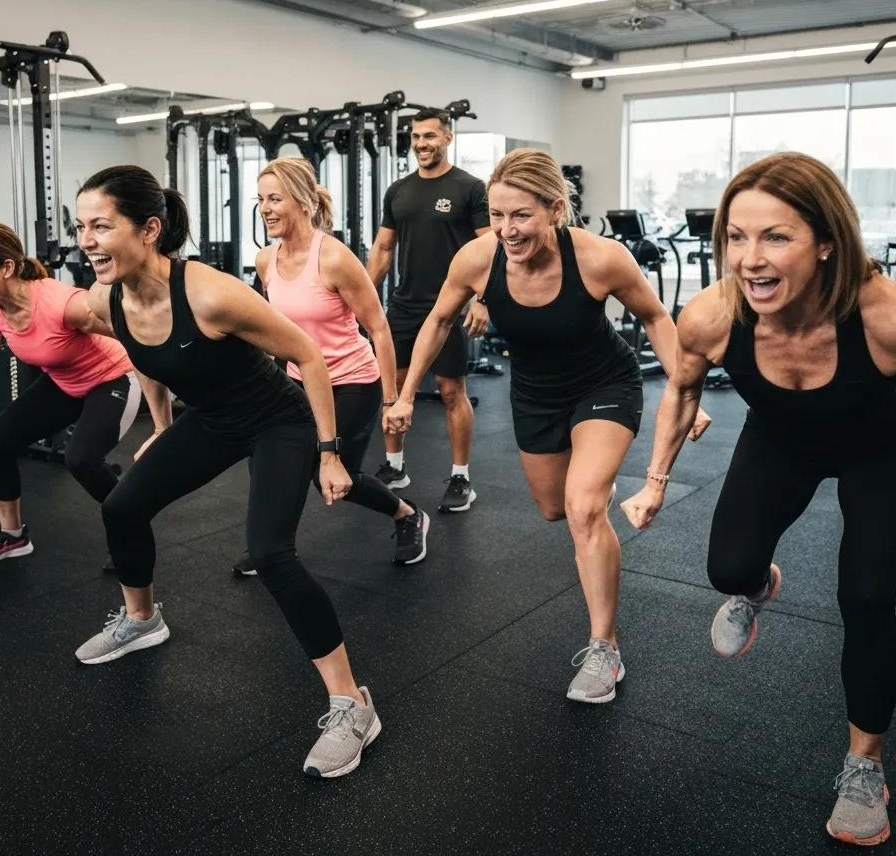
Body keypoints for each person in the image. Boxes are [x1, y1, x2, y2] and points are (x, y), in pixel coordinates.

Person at [621, 152, 896, 846]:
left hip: (884, 452)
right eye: (736, 236)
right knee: (727, 570)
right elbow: (680, 387)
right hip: (783, 441)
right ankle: (758, 585)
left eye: (775, 237)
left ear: (827, 241)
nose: (749, 259)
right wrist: (653, 483)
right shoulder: (710, 316)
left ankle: (863, 766)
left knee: (865, 595)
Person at [74, 165, 379, 778]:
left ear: (149, 229)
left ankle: (352, 704)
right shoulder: (105, 299)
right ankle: (142, 620)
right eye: (79, 226)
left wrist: (328, 450)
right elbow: (147, 363)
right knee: (122, 506)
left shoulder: (211, 293)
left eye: (101, 226)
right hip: (211, 419)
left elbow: (308, 356)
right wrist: (161, 431)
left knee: (270, 552)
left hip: (278, 420)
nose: (84, 240)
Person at [386, 149, 709, 702]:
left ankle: (604, 649)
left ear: (555, 210)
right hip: (535, 394)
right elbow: (439, 319)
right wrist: (404, 392)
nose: (507, 230)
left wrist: (684, 388)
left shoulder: (599, 259)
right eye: (498, 215)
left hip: (605, 384)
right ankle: (591, 509)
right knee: (555, 508)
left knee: (583, 508)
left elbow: (656, 316)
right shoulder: (476, 259)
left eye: (522, 216)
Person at [232, 156, 428, 574]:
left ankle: (407, 515)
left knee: (339, 477)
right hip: (298, 380)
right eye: (260, 199)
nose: (264, 208)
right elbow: (272, 329)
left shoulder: (334, 258)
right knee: (271, 456)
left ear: (302, 202)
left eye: (274, 199)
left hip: (353, 380)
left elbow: (378, 327)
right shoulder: (266, 260)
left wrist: (391, 401)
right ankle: (270, 545)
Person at [0, 221, 149, 568]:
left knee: (81, 459)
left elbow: (136, 334)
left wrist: (177, 391)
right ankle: (13, 537)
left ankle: (130, 530)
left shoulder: (63, 304)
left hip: (112, 379)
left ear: (6, 267)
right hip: (63, 381)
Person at [366, 109, 491, 513]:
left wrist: (483, 299)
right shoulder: (399, 191)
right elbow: (384, 249)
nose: (421, 144)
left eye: (429, 136)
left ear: (447, 138)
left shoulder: (470, 188)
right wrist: (363, 298)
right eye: (416, 137)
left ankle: (461, 477)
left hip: (449, 306)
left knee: (451, 390)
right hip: (405, 304)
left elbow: (490, 249)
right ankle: (395, 466)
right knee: (394, 388)